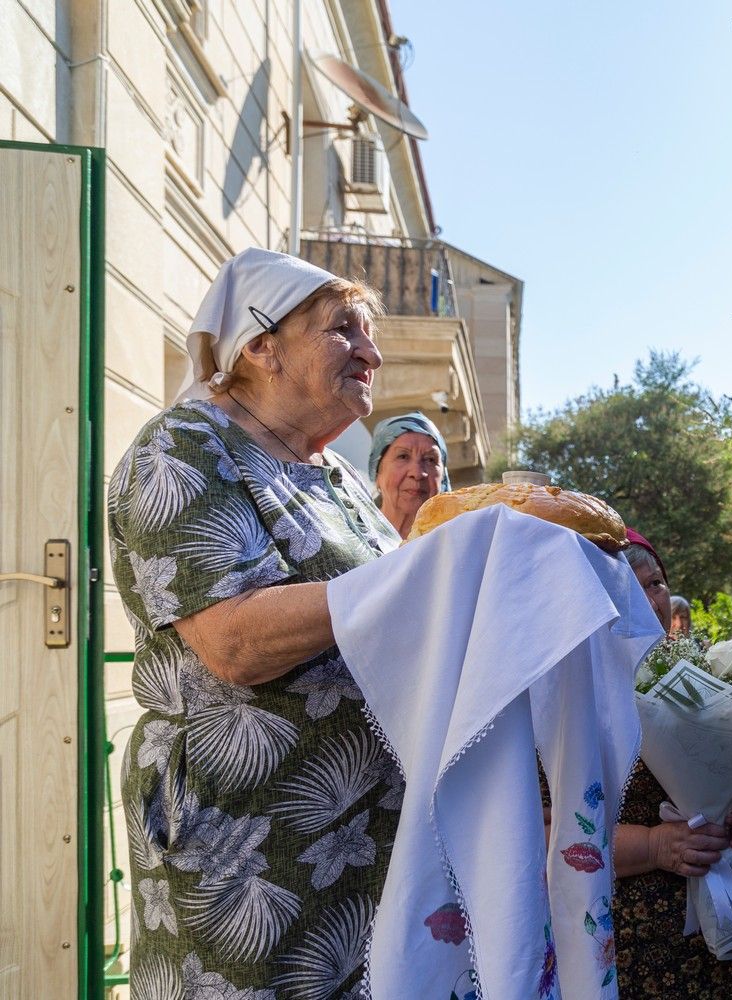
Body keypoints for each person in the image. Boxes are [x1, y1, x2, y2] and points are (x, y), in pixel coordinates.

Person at [109, 248, 403, 995]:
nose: (370, 352)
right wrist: (424, 578)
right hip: (243, 848)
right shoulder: (185, 446)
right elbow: (233, 642)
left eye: (370, 336)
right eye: (343, 329)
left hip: (362, 847)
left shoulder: (338, 477)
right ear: (261, 346)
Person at [548, 530, 732, 997]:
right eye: (627, 586)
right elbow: (542, 830)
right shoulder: (569, 696)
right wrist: (653, 846)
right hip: (626, 956)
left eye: (656, 583)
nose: (648, 598)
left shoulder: (711, 674)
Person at [368, 411, 449, 539]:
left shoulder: (453, 543)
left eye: (430, 460)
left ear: (443, 477)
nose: (417, 473)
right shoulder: (353, 539)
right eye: (403, 456)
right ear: (378, 472)